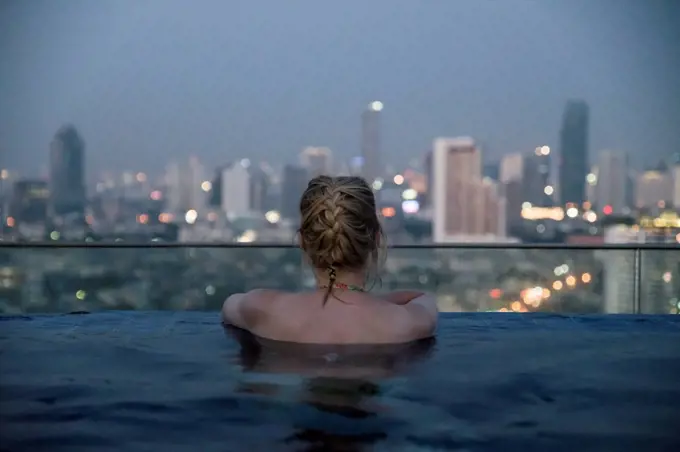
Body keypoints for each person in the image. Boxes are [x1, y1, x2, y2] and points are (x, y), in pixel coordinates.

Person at [221, 175, 438, 344]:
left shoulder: (260, 308)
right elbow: (424, 298)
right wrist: (375, 301)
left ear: (304, 242)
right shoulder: (407, 322)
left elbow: (229, 306)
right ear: (376, 240)